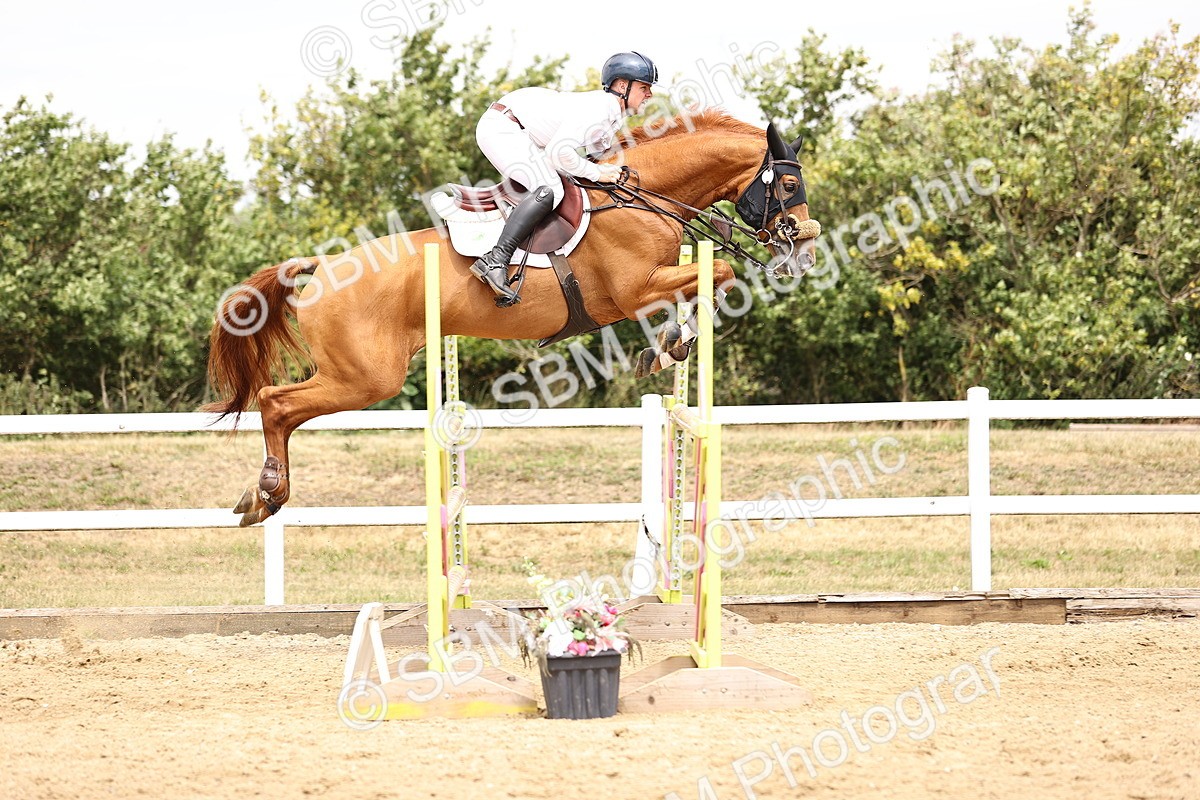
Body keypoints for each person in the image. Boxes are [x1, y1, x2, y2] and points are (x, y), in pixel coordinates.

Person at [469, 51, 659, 306]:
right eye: (645, 87)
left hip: (517, 129)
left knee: (560, 183)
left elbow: (602, 156)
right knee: (549, 188)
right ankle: (496, 259)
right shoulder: (601, 109)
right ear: (622, 85)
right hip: (503, 128)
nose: (650, 94)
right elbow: (560, 153)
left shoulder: (612, 115)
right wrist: (598, 174)